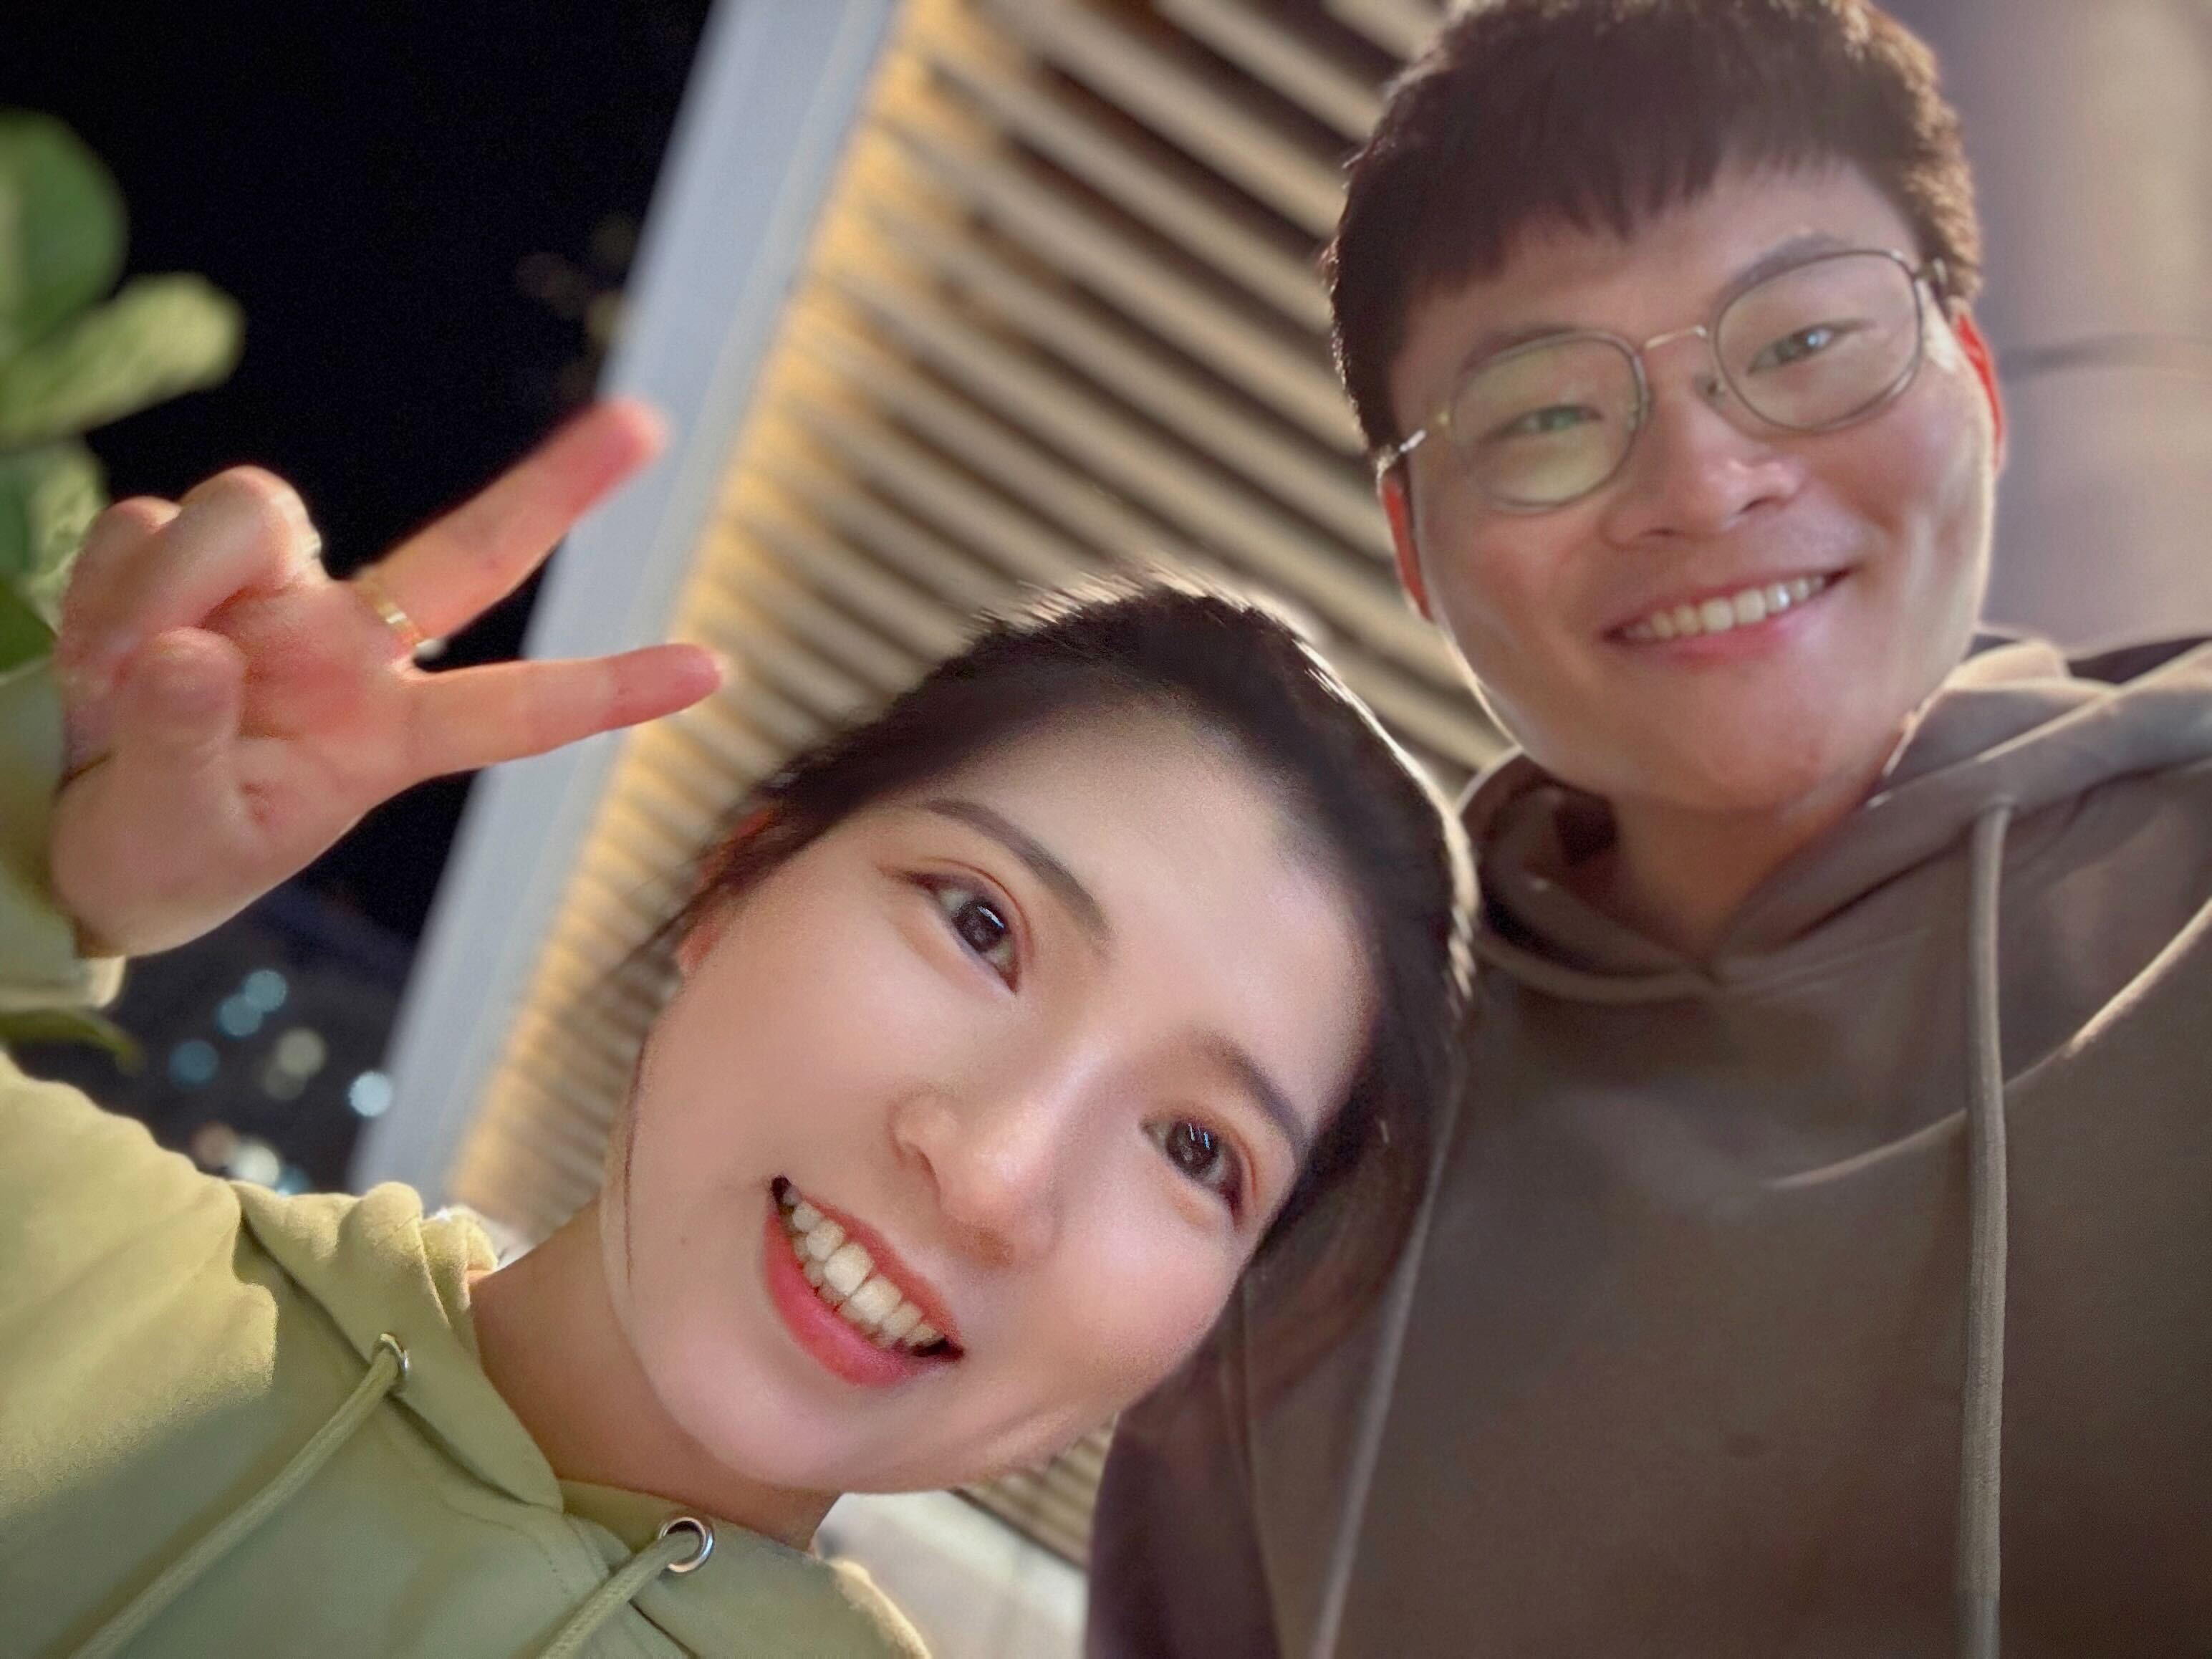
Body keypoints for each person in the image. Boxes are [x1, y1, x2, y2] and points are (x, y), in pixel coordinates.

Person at [1088, 4, 2212, 1657]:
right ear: (1411, 545)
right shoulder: (1294, 1171)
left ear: (1972, 381)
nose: (1701, 483)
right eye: (1544, 413)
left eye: (1806, 341)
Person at [0, 402, 1470, 1658]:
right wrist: (32, 852)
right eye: (981, 925)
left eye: (1197, 1148)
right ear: (738, 880)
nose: (994, 1175)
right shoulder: (54, 1254)